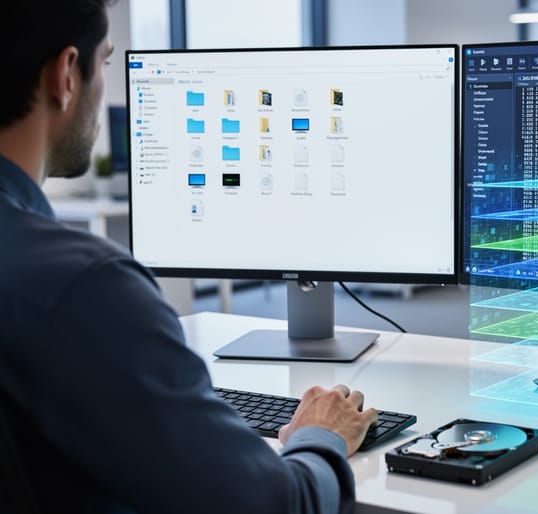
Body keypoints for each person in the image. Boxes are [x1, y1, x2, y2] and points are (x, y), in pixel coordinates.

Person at [0, 2, 378, 513]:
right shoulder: (84, 288)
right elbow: (279, 505)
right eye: (106, 63)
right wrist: (319, 435)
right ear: (65, 75)